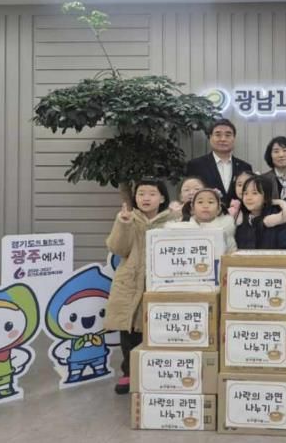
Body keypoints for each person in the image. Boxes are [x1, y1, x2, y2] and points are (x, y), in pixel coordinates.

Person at [103, 178, 175, 395]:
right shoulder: (128, 218)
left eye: (152, 194)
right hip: (130, 282)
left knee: (158, 328)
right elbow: (118, 249)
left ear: (162, 198)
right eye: (141, 193)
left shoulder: (173, 220)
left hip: (160, 283)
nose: (146, 198)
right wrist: (123, 224)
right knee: (130, 328)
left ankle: (156, 373)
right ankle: (129, 372)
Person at [185, 120, 253, 207]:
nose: (223, 139)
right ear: (210, 138)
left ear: (234, 139)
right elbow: (189, 195)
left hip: (238, 214)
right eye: (218, 135)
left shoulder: (245, 167)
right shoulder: (195, 165)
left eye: (228, 135)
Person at [166, 188, 237, 253]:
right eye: (200, 202)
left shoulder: (226, 229)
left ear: (218, 209)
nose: (205, 206)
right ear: (192, 208)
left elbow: (231, 254)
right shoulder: (179, 229)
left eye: (210, 202)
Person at [235, 175, 286, 250]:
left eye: (254, 193)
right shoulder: (240, 221)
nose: (249, 198)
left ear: (266, 197)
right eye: (245, 193)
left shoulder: (277, 219)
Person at [261, 136, 286, 205]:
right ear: (270, 155)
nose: (281, 155)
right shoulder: (263, 179)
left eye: (285, 150)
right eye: (276, 151)